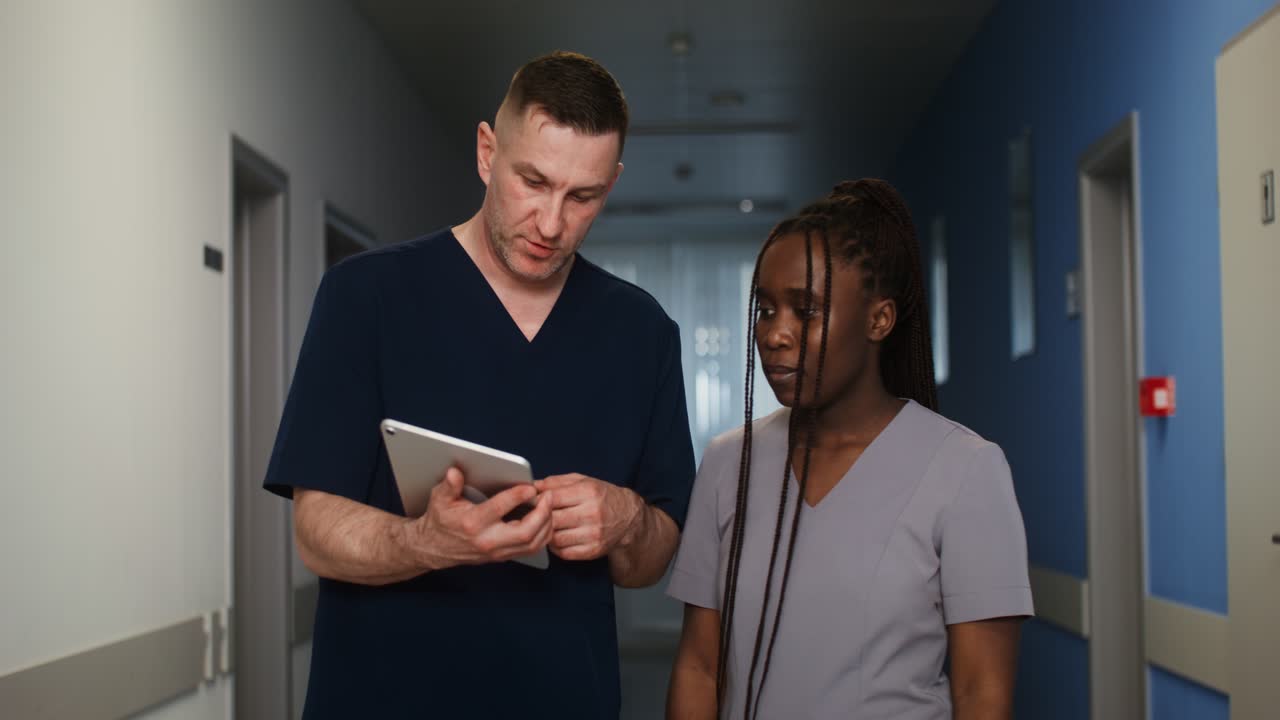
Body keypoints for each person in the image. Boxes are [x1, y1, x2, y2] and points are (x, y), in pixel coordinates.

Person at [264, 51, 695, 719]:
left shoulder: (642, 332)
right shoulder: (365, 298)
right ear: (487, 152)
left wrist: (630, 521)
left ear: (608, 186)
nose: (551, 224)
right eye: (533, 181)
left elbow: (650, 559)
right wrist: (428, 542)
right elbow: (314, 530)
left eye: (581, 197)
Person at [665, 179, 1033, 719]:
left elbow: (983, 694)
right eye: (765, 310)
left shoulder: (965, 469)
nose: (775, 334)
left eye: (805, 310)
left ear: (878, 319)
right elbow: (699, 666)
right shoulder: (729, 462)